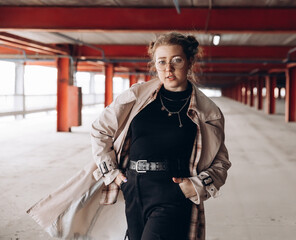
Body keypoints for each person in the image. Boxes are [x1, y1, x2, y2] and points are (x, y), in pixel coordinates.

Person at [27, 32, 231, 240]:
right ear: (155, 64)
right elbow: (100, 130)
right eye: (162, 62)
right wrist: (112, 173)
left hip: (172, 192)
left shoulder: (208, 113)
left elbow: (221, 162)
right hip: (132, 187)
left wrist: (195, 186)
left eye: (176, 60)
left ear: (190, 61)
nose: (168, 69)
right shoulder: (137, 96)